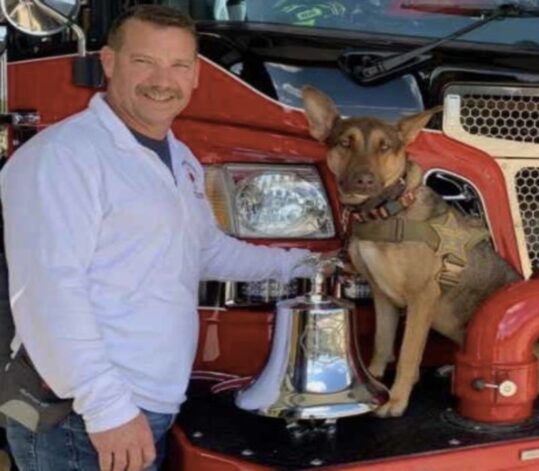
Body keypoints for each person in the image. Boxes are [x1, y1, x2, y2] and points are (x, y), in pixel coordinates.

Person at [0, 5, 324, 471]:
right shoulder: (61, 158)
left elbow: (206, 250)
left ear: (195, 76)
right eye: (144, 62)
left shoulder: (179, 158)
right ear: (109, 63)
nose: (162, 80)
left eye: (178, 65)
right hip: (82, 418)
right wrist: (107, 408)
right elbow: (49, 295)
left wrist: (307, 266)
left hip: (146, 403)